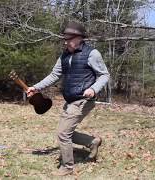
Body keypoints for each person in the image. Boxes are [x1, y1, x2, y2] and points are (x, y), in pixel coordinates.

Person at [27, 21, 110, 176]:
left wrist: (93, 89)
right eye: (65, 38)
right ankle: (92, 142)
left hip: (84, 100)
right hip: (70, 100)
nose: (66, 41)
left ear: (79, 38)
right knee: (65, 132)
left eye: (69, 38)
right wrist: (36, 87)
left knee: (63, 134)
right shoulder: (64, 55)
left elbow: (104, 75)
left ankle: (67, 166)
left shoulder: (92, 54)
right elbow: (54, 75)